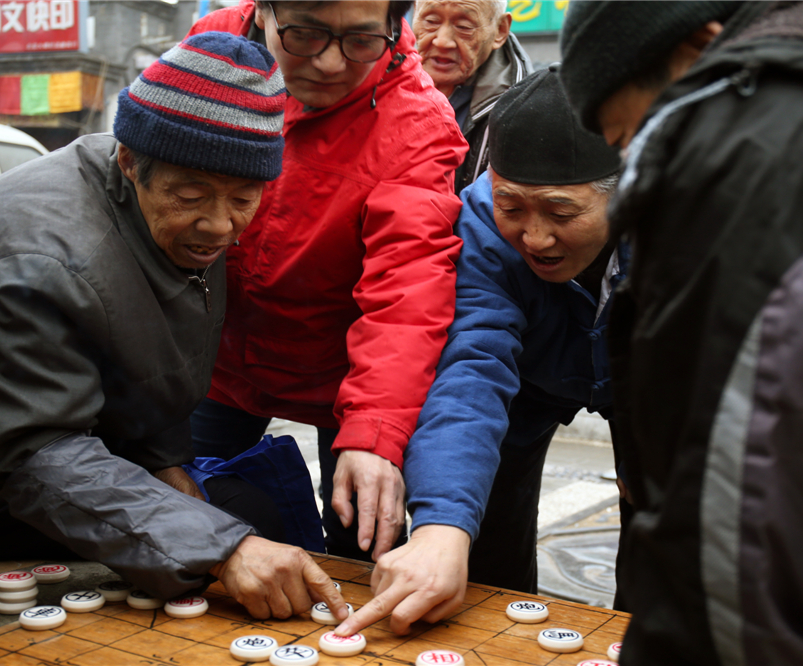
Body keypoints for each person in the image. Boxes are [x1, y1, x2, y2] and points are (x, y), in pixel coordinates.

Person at [0, 32, 346, 622]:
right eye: (191, 195)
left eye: (245, 198)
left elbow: (139, 363)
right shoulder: (40, 261)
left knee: (251, 511)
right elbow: (36, 450)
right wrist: (218, 548)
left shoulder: (168, 208)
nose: (221, 225)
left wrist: (162, 465)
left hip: (69, 458)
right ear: (129, 162)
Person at [559, 2, 803, 664]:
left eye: (628, 135)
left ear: (700, 48)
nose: (634, 163)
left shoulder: (759, 155)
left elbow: (738, 558)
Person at [338, 68, 625, 636]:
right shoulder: (481, 230)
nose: (535, 237)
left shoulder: (681, 224)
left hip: (649, 377)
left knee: (662, 538)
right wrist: (440, 527)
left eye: (561, 214)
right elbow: (471, 367)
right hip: (529, 380)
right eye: (512, 206)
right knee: (476, 530)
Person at [186, 0, 466, 562]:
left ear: (392, 26)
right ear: (262, 11)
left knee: (362, 532)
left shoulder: (419, 125)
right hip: (214, 356)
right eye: (306, 35)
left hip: (345, 375)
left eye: (362, 40)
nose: (333, 64)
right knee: (187, 513)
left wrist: (375, 431)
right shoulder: (210, 49)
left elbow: (407, 294)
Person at [413, 0, 533, 190]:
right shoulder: (374, 75)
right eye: (431, 21)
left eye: (464, 27)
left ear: (500, 30)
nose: (442, 41)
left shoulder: (520, 112)